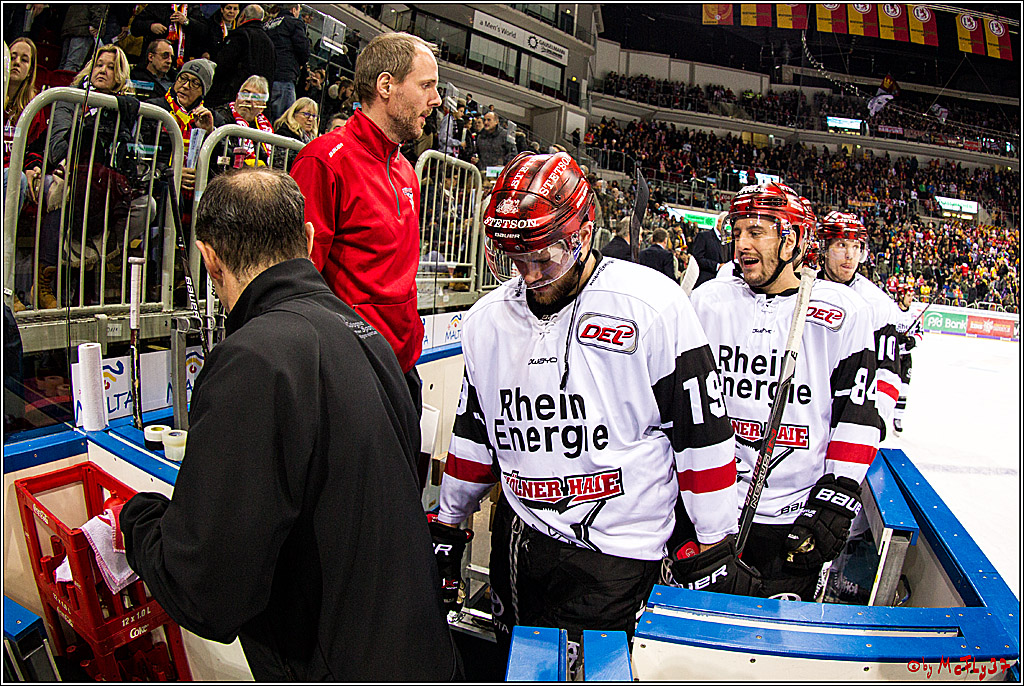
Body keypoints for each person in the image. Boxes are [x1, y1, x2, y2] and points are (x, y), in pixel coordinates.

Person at [120, 168, 459, 681]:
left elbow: (208, 591)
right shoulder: (368, 337)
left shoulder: (254, 360)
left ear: (209, 258)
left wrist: (138, 520)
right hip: (424, 654)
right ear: (307, 239)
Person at [431, 151, 739, 674]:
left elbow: (700, 430)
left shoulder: (652, 305)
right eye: (514, 257)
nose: (529, 274)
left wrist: (713, 538)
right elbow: (474, 430)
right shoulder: (486, 319)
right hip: (521, 541)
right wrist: (450, 520)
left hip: (619, 555)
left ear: (583, 235)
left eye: (546, 256)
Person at [687, 182, 881, 601]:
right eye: (737, 232)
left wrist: (838, 494)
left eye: (756, 232)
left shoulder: (842, 312)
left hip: (791, 518)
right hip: (712, 511)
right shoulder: (708, 302)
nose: (742, 244)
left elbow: (858, 411)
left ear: (792, 239)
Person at [289, 32, 442, 469]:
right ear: (386, 85)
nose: (435, 100)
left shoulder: (407, 171)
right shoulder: (324, 162)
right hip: (350, 374)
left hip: (401, 367)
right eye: (426, 85)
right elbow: (301, 283)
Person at [817, 211, 902, 438]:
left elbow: (888, 371)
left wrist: (877, 420)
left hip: (851, 413)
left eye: (856, 247)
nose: (849, 255)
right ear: (823, 248)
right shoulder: (802, 289)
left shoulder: (877, 303)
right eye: (841, 245)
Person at [204, 4, 275, 108]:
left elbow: (223, 64)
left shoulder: (240, 35)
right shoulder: (270, 42)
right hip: (258, 101)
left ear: (242, 17)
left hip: (232, 98)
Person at [212, 75, 273, 166]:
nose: (248, 99)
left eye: (255, 97)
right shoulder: (220, 117)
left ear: (262, 106)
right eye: (245, 94)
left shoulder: (264, 127)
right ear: (237, 97)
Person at [264, 3, 308, 121]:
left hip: (266, 78)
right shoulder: (294, 23)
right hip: (285, 78)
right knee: (283, 121)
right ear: (294, 10)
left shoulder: (268, 25)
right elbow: (303, 50)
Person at [893, 285, 922, 434]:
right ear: (901, 296)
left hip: (906, 358)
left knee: (904, 388)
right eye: (909, 295)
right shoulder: (891, 311)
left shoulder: (914, 314)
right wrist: (894, 336)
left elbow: (920, 333)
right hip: (890, 355)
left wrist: (913, 341)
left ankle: (898, 417)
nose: (911, 298)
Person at [271, 96, 317, 168]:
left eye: (314, 116)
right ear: (294, 114)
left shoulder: (313, 139)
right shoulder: (284, 134)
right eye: (306, 114)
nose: (311, 119)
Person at [58, 5, 104, 72]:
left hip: (70, 25)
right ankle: (65, 82)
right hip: (84, 28)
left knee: (64, 63)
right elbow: (99, 7)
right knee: (73, 64)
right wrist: (97, 24)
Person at [689, 210, 728, 288]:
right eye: (727, 223)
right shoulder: (704, 236)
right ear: (719, 222)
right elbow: (697, 258)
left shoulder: (728, 241)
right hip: (705, 282)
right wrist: (717, 266)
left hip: (723, 283)